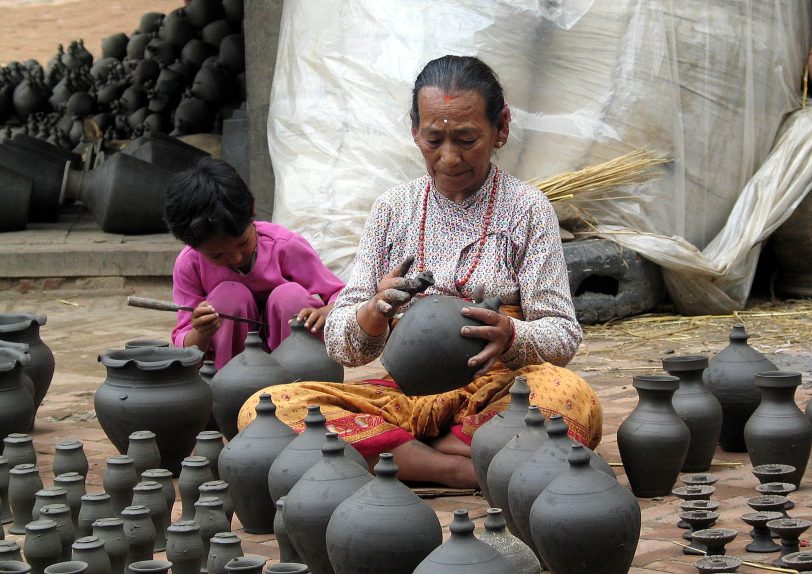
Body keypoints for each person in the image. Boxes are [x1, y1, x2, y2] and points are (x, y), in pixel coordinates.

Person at [237, 55, 603, 488]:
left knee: (571, 397)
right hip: (406, 395)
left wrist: (511, 335)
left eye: (467, 139)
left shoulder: (527, 209)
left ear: (501, 127)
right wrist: (373, 312)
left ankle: (396, 454)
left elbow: (562, 334)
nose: (448, 159)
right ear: (414, 130)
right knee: (265, 408)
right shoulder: (393, 210)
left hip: (499, 390)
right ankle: (459, 465)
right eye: (433, 140)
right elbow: (343, 347)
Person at [164, 158, 345, 369]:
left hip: (294, 371)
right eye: (217, 255)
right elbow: (186, 348)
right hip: (230, 374)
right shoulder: (190, 264)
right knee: (228, 297)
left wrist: (325, 312)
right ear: (193, 246)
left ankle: (296, 381)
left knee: (289, 296)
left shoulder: (285, 246)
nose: (236, 258)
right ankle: (230, 384)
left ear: (253, 211)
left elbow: (341, 296)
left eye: (243, 243)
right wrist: (201, 332)